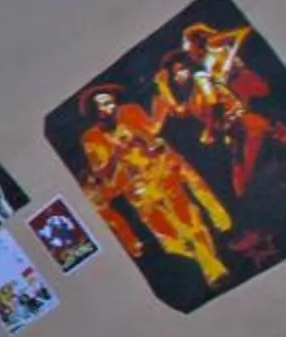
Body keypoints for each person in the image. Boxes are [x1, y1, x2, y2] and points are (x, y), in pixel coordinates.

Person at [77, 83, 231, 286]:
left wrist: (140, 138)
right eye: (100, 106)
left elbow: (154, 139)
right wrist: (115, 152)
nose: (106, 108)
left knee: (191, 222)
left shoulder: (131, 112)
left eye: (109, 103)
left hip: (161, 176)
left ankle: (213, 269)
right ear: (93, 112)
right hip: (137, 192)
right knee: (171, 240)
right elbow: (102, 172)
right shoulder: (91, 138)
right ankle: (206, 261)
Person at [160, 21, 286, 198]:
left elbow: (213, 101)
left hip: (244, 124)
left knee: (257, 164)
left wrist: (209, 131)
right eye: (174, 74)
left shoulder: (201, 77)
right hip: (237, 132)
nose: (178, 75)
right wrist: (162, 86)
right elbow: (177, 111)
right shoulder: (192, 101)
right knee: (248, 174)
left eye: (181, 70)